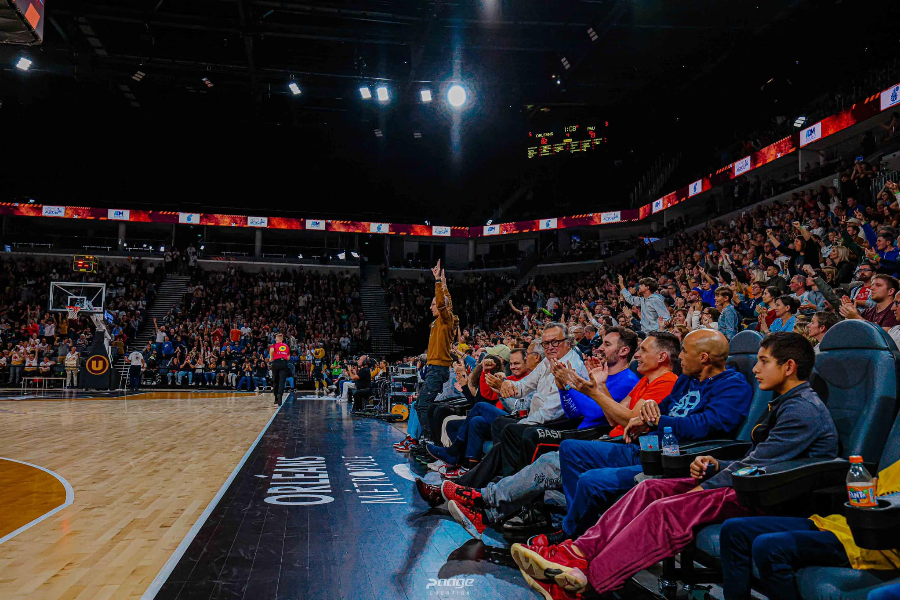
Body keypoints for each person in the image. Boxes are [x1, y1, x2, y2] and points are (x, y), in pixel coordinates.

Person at [509, 332, 838, 600]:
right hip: (749, 482)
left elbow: (763, 466)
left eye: (764, 362)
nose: (755, 369)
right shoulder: (786, 403)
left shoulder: (802, 411)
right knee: (649, 488)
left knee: (665, 509)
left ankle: (587, 582)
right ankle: (576, 552)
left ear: (790, 366)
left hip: (769, 494)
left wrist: (706, 484)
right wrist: (717, 463)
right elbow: (758, 456)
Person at [430, 332, 680, 540]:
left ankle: (494, 506)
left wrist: (590, 390)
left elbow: (608, 417)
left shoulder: (645, 381)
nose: (638, 355)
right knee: (513, 437)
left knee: (527, 437)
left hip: (603, 438)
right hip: (602, 435)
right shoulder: (640, 382)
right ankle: (482, 502)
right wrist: (586, 388)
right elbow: (605, 414)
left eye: (607, 343)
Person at [413, 261, 456, 444]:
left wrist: (437, 281)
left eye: (433, 304)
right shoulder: (441, 322)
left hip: (437, 369)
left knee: (421, 405)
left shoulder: (446, 321)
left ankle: (429, 440)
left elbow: (443, 305)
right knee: (423, 405)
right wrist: (444, 286)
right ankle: (428, 438)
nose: (431, 307)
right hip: (435, 368)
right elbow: (447, 303)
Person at [268, 332, 291, 406]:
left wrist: (271, 358)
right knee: (282, 381)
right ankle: (280, 394)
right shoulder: (286, 346)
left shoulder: (273, 345)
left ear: (277, 339)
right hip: (283, 363)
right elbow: (288, 358)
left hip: (276, 363)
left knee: (275, 381)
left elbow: (271, 350)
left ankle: (276, 398)